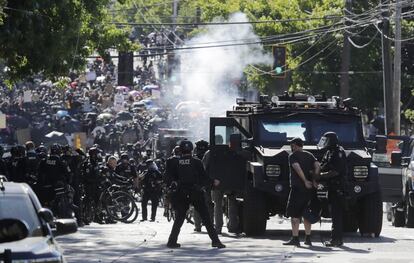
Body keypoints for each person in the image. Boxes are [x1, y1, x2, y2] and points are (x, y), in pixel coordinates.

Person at [165, 140, 225, 249]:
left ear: (181, 150)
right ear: (192, 150)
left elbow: (170, 179)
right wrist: (213, 182)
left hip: (181, 193)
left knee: (179, 218)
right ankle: (215, 241)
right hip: (196, 192)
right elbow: (204, 177)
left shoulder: (176, 163)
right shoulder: (196, 162)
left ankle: (171, 241)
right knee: (206, 218)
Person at [283, 137, 320, 247]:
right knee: (306, 213)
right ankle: (308, 239)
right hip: (309, 190)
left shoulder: (292, 156)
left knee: (295, 215)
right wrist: (314, 180)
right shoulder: (309, 155)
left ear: (294, 145)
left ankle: (295, 238)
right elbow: (317, 165)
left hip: (297, 189)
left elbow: (297, 167)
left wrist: (305, 181)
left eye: (292, 145)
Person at [316, 132, 347, 247]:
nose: (324, 143)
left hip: (338, 188)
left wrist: (321, 176)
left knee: (336, 215)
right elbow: (322, 165)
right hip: (332, 188)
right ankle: (336, 239)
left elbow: (335, 171)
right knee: (334, 214)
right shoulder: (329, 152)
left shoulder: (338, 152)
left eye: (326, 140)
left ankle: (336, 240)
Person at [192, 140, 213, 232]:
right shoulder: (210, 154)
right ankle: (210, 224)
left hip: (197, 183)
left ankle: (197, 226)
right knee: (209, 204)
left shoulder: (195, 158)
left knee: (197, 205)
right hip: (207, 183)